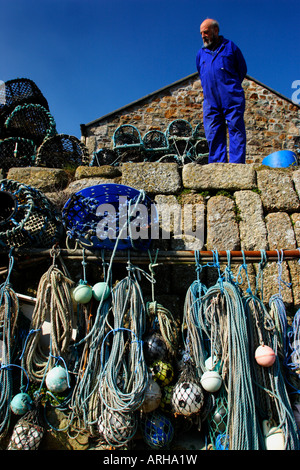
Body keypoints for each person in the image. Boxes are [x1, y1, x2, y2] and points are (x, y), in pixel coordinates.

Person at [196, 19, 247, 164]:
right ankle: (218, 165)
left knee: (236, 130)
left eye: (206, 32)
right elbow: (201, 73)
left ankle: (237, 166)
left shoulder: (230, 47)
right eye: (201, 33)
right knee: (213, 132)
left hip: (231, 97)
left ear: (215, 31)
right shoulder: (201, 54)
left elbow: (241, 69)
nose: (203, 36)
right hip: (211, 100)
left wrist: (230, 87)